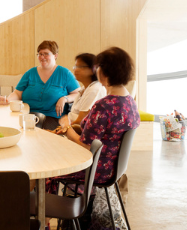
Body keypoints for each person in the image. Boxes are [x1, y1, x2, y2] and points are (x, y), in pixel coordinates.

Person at [45, 47, 140, 228]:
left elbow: (87, 147)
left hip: (95, 168)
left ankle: (44, 220)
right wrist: (74, 128)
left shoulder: (103, 105)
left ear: (104, 72)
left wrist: (67, 129)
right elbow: (105, 134)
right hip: (113, 168)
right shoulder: (130, 102)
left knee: (47, 170)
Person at [6, 40, 81, 130]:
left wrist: (64, 98)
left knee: (41, 137)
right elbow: (17, 93)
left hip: (54, 118)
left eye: (46, 54)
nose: (42, 57)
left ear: (55, 55)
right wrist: (7, 100)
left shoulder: (65, 73)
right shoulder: (30, 73)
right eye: (40, 54)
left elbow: (78, 94)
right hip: (29, 116)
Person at [69, 53, 106, 126]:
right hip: (70, 128)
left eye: (80, 66)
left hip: (78, 132)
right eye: (75, 66)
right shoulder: (84, 88)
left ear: (93, 69)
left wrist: (63, 128)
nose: (75, 69)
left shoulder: (95, 89)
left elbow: (80, 122)